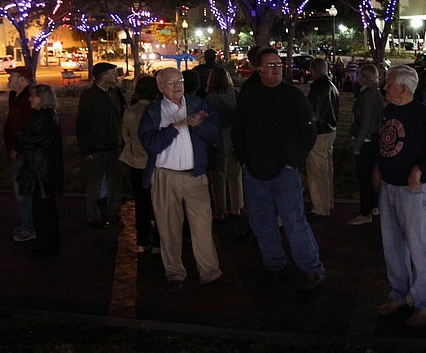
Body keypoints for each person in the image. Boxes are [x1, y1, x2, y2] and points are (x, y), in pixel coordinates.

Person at [231, 48, 324, 292]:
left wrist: (292, 161)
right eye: (270, 65)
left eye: (278, 64)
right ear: (259, 68)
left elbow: (308, 131)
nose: (275, 68)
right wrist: (244, 159)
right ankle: (274, 266)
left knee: (295, 222)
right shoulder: (249, 97)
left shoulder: (293, 96)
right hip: (255, 172)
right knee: (263, 224)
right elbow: (238, 130)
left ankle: (311, 269)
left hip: (284, 173)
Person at [375, 65, 426, 328]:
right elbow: (386, 142)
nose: (385, 87)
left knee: (419, 247)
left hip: (412, 191)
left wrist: (421, 168)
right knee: (393, 245)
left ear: (404, 87)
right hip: (389, 187)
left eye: (389, 83)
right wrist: (379, 167)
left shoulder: (424, 115)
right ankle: (399, 294)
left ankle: (425, 304)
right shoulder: (389, 110)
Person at [138, 67, 228, 291]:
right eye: (171, 82)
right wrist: (176, 127)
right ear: (160, 87)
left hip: (195, 177)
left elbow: (214, 128)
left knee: (202, 227)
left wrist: (199, 126)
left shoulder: (196, 103)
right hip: (165, 177)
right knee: (168, 228)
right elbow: (150, 144)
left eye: (180, 80)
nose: (177, 85)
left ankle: (210, 272)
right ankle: (174, 273)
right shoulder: (153, 111)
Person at [15, 84, 64, 258]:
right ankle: (48, 244)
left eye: (33, 96)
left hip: (41, 170)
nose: (30, 99)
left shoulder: (43, 118)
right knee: (45, 210)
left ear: (42, 98)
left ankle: (46, 246)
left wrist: (21, 136)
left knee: (43, 212)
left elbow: (27, 139)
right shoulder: (47, 116)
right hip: (44, 169)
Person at [77, 62, 126, 229]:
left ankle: (114, 213)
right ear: (103, 76)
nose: (116, 75)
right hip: (97, 147)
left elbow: (120, 116)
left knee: (115, 181)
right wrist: (86, 149)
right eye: (112, 72)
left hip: (114, 145)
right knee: (95, 183)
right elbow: (82, 124)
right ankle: (94, 215)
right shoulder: (90, 97)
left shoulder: (113, 93)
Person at [120, 75, 161, 254]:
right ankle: (159, 243)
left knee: (141, 203)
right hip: (157, 162)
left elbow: (125, 136)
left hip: (136, 162)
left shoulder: (131, 111)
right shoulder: (159, 110)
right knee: (160, 203)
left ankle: (141, 241)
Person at [3, 66, 37, 243]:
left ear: (23, 80)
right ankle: (27, 224)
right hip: (15, 150)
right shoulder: (15, 97)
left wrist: (17, 147)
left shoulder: (28, 99)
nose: (9, 79)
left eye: (13, 76)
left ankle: (29, 227)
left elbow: (26, 127)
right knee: (21, 190)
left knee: (23, 190)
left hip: (22, 152)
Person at [347, 63, 384, 225]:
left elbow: (366, 122)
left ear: (364, 77)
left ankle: (365, 211)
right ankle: (373, 205)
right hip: (371, 139)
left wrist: (357, 145)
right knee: (369, 176)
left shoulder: (368, 95)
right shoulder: (374, 93)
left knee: (364, 177)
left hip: (367, 140)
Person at [205, 67, 242, 220]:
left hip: (217, 141)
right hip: (233, 139)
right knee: (235, 176)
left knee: (217, 178)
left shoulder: (209, 99)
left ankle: (220, 211)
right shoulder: (235, 95)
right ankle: (237, 207)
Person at [305, 58, 339, 218]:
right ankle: (328, 202)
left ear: (313, 70)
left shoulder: (317, 88)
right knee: (326, 170)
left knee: (317, 172)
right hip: (330, 130)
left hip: (319, 133)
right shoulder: (332, 87)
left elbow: (313, 114)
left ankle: (320, 207)